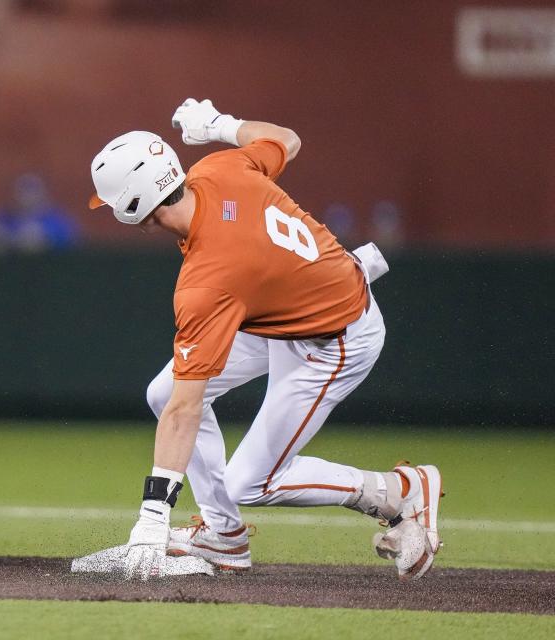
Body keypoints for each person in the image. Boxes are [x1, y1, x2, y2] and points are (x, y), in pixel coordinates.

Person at [85, 99, 442, 581]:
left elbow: (186, 411)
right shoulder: (218, 166)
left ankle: (398, 491)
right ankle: (223, 536)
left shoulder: (206, 281)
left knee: (249, 481)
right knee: (165, 392)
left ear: (132, 207)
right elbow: (286, 139)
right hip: (289, 307)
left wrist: (153, 514)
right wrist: (220, 125)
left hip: (336, 336)